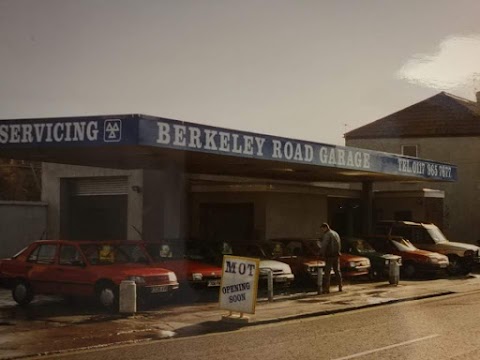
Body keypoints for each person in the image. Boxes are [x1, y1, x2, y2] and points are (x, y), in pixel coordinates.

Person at [320, 222, 343, 293]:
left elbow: (324, 245)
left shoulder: (327, 234)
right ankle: (340, 286)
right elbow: (339, 243)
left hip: (329, 255)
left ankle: (326, 289)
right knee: (337, 271)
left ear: (325, 228)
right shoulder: (336, 233)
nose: (322, 231)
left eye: (322, 229)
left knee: (327, 272)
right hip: (336, 255)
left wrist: (321, 253)